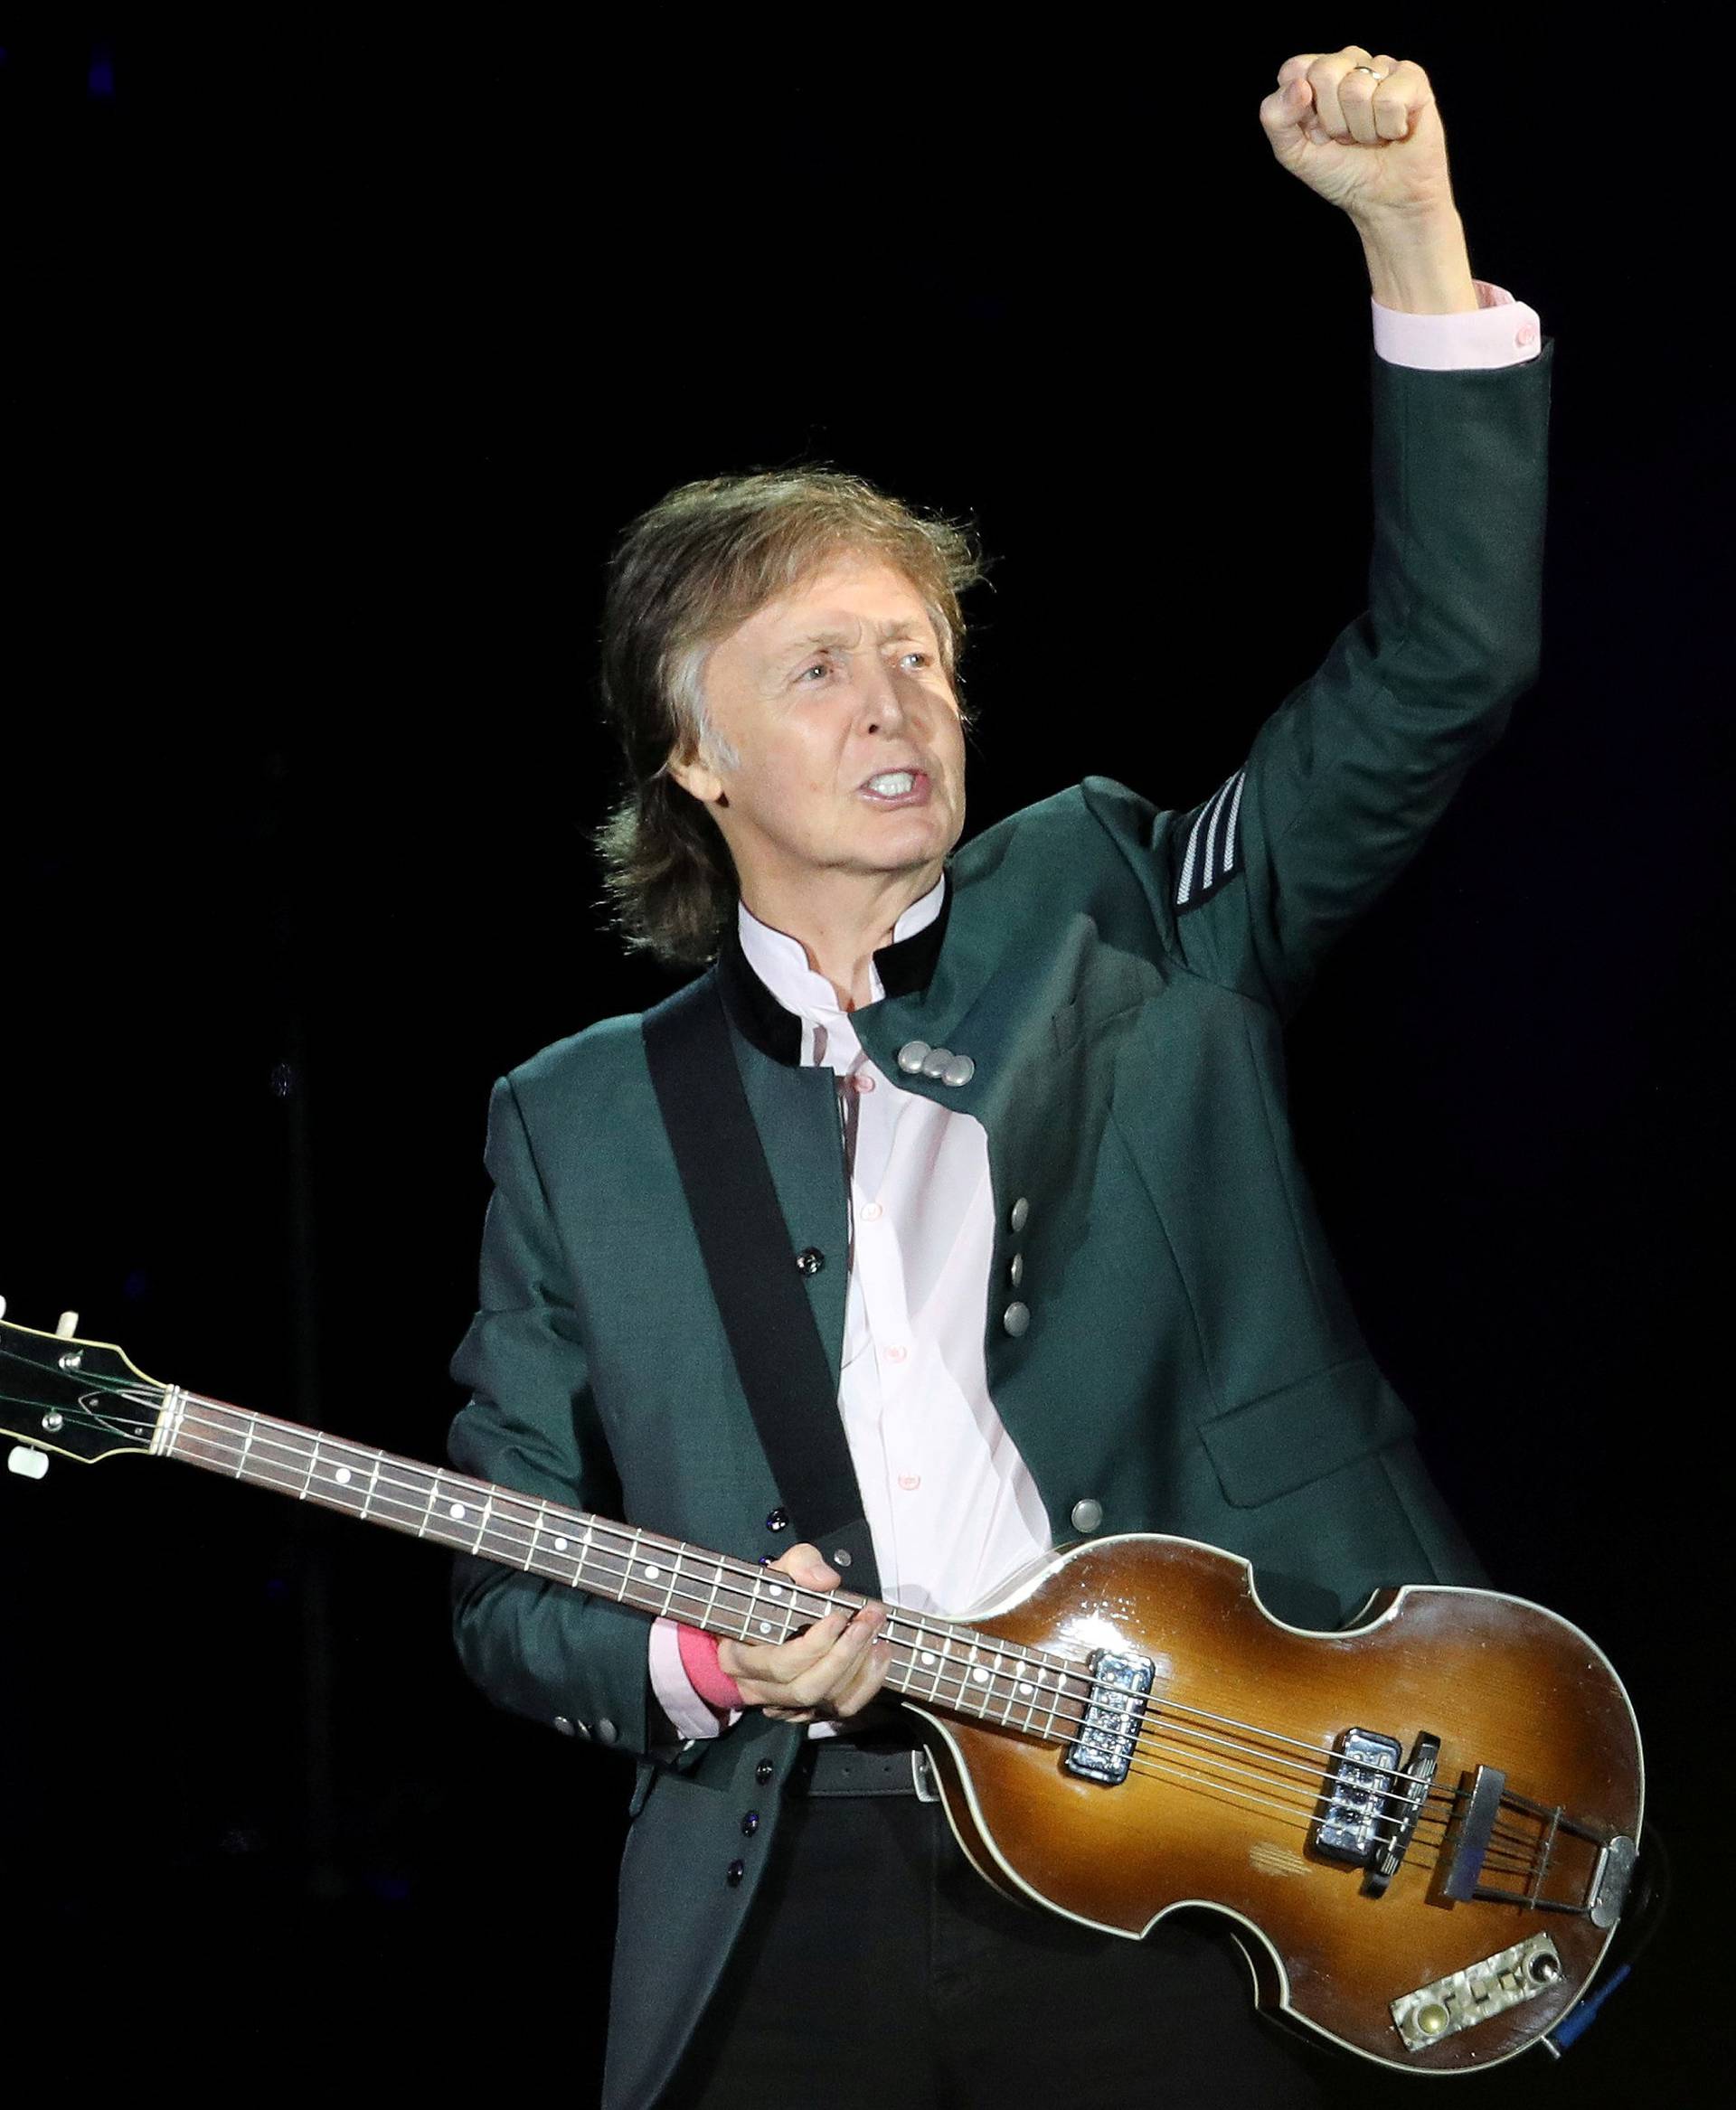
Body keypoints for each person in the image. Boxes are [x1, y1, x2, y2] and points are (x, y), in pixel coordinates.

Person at [446, 44, 1551, 2110]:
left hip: (1171, 1839)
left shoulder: (1121, 909)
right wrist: (693, 1659)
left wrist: (1413, 234)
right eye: (822, 667)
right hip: (795, 1873)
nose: (904, 701)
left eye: (924, 650)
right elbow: (506, 1579)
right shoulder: (579, 1115)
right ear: (692, 757)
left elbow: (1442, 670)